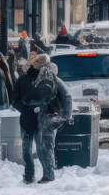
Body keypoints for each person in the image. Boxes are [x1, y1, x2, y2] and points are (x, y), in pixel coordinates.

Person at [24, 54, 73, 183]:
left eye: (38, 62)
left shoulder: (53, 78)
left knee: (46, 147)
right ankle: (47, 174)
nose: (35, 63)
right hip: (39, 118)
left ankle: (49, 175)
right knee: (40, 147)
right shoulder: (37, 78)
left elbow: (67, 96)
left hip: (50, 117)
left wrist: (65, 116)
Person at [11, 56, 42, 184]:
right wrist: (25, 109)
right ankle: (29, 174)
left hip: (42, 118)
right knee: (27, 148)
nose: (39, 65)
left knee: (42, 148)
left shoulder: (45, 80)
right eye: (38, 62)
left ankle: (47, 173)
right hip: (27, 118)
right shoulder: (23, 79)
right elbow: (14, 99)